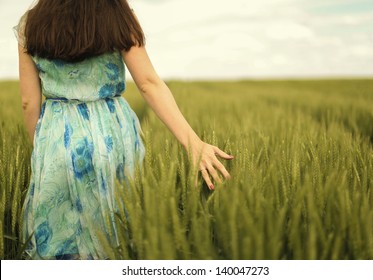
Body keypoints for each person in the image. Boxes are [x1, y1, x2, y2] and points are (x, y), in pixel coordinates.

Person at [14, 0, 234, 260]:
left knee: (60, 238)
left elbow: (29, 102)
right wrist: (193, 143)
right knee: (117, 230)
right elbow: (148, 83)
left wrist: (43, 150)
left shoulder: (31, 23)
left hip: (58, 136)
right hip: (112, 135)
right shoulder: (117, 13)